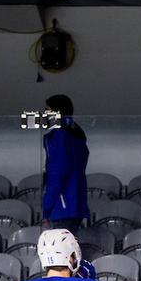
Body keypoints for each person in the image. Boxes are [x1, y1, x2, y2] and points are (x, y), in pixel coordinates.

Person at [41, 94, 90, 234]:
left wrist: (46, 209)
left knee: (60, 254)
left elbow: (56, 174)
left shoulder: (58, 136)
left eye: (47, 110)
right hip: (75, 204)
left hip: (61, 206)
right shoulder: (76, 135)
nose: (44, 114)